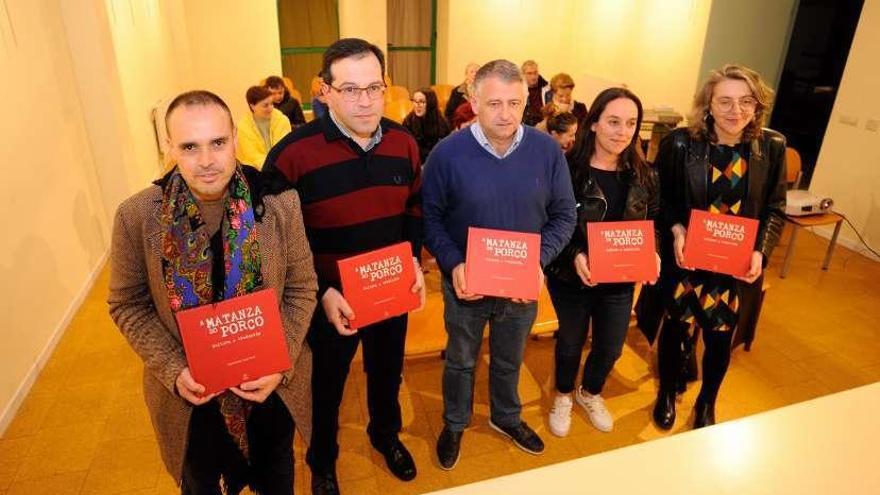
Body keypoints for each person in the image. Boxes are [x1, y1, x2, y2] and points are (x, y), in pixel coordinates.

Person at [108, 90, 317, 494]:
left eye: (218, 143)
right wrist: (173, 368)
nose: (206, 161)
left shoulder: (278, 203)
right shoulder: (137, 216)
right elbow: (127, 304)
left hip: (269, 391)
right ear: (170, 149)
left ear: (235, 140)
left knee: (277, 479)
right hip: (191, 399)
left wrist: (281, 359)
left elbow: (301, 288)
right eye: (190, 146)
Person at [261, 38, 425, 495]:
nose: (366, 101)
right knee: (325, 387)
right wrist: (322, 292)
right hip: (328, 300)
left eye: (374, 87)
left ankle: (385, 435)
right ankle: (322, 460)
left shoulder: (404, 144)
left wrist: (413, 260)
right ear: (324, 90)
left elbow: (414, 209)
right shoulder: (292, 155)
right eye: (350, 89)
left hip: (390, 290)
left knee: (387, 371)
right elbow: (278, 246)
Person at [422, 59, 576, 470]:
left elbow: (565, 215)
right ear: (473, 101)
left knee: (510, 358)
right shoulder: (446, 153)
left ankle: (506, 417)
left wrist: (537, 261)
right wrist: (453, 263)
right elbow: (430, 218)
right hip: (466, 286)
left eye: (515, 103)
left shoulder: (546, 151)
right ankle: (455, 421)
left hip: (519, 287)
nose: (505, 114)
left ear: (529, 101)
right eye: (493, 103)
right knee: (460, 360)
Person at [652, 64, 786, 430]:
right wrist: (677, 228)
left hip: (734, 267)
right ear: (707, 104)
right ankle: (666, 391)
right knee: (676, 327)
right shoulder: (681, 142)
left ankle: (707, 401)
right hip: (689, 260)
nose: (735, 111)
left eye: (746, 101)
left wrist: (761, 250)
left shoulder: (771, 147)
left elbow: (775, 207)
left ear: (758, 105)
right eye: (724, 101)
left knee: (719, 338)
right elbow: (658, 200)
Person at [542, 88, 660, 437]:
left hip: (620, 279)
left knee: (609, 347)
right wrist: (574, 254)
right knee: (569, 343)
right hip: (571, 276)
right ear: (593, 123)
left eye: (630, 124)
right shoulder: (566, 169)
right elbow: (549, 221)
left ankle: (589, 392)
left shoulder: (643, 173)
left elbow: (651, 217)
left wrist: (651, 250)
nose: (622, 131)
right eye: (613, 121)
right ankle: (563, 394)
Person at [236, 85, 291, 169]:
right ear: (252, 106)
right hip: (255, 172)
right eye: (265, 105)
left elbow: (285, 149)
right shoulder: (242, 126)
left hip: (281, 168)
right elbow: (252, 155)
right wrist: (270, 167)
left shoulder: (282, 120)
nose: (271, 108)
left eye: (272, 103)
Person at [402, 87, 451, 164]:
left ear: (430, 103)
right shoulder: (408, 121)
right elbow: (407, 148)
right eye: (415, 101)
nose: (418, 105)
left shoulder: (441, 122)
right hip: (416, 162)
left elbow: (446, 147)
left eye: (422, 102)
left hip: (436, 160)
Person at [521, 60, 549, 126]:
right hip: (526, 124)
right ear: (523, 75)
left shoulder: (548, 89)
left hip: (545, 122)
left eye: (535, 73)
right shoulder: (518, 90)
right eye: (529, 73)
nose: (533, 77)